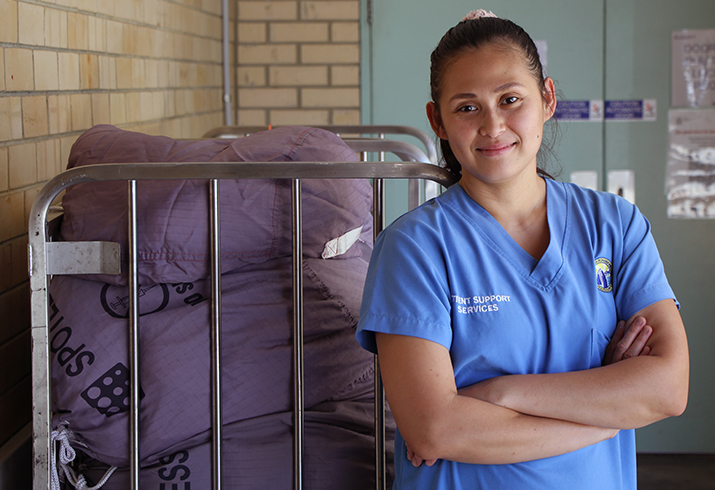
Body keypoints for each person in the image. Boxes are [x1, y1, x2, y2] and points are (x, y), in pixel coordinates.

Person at [355, 9, 690, 490]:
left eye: (510, 99)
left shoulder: (615, 225)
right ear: (438, 121)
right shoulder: (414, 248)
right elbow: (434, 430)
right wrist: (616, 406)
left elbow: (669, 389)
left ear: (547, 98)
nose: (493, 126)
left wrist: (497, 393)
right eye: (467, 107)